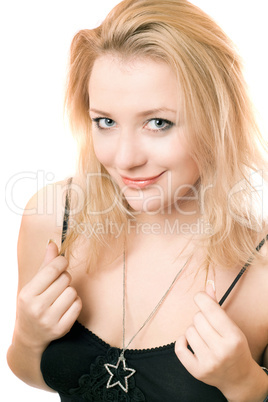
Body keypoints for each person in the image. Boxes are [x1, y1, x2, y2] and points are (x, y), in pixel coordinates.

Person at [7, 0, 268, 401]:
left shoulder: (261, 272)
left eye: (158, 123)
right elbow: (32, 373)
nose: (125, 158)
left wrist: (246, 385)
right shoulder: (54, 219)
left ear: (217, 119)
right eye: (105, 122)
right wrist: (28, 336)